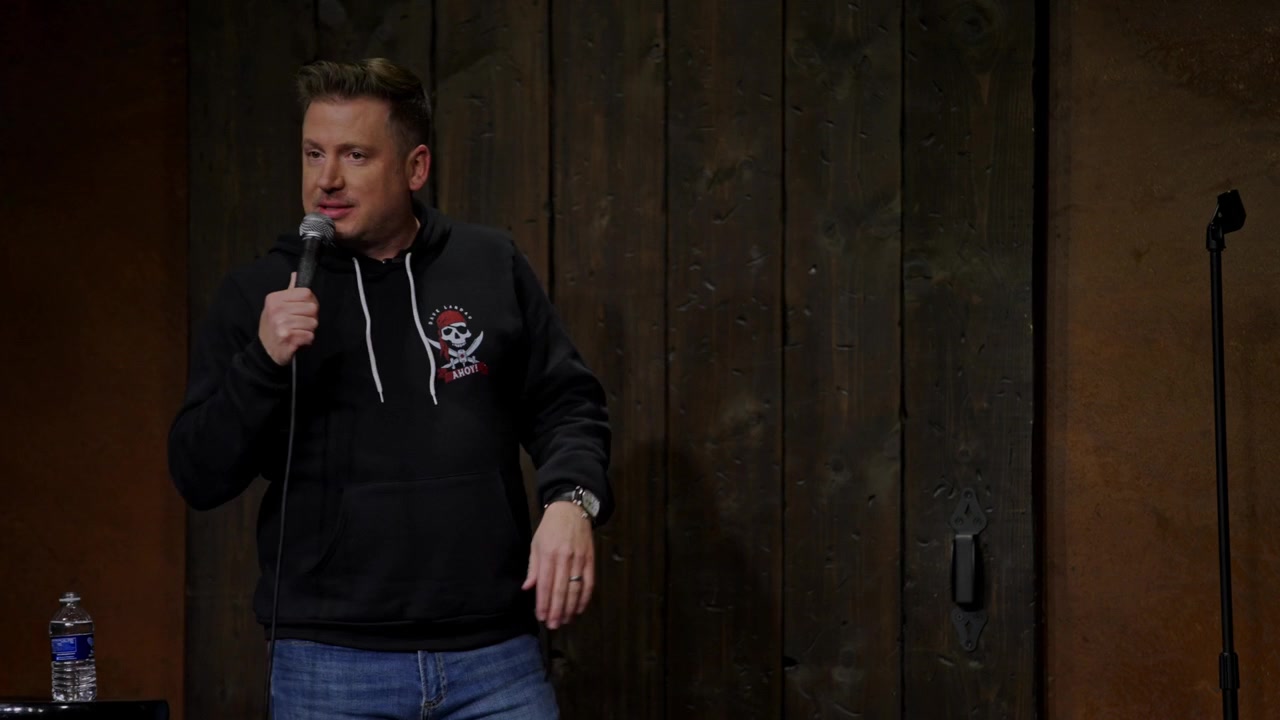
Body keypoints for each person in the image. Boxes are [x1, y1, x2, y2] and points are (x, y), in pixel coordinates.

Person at [168, 57, 611, 719]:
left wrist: (572, 502)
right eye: (313, 154)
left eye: (354, 155)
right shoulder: (261, 293)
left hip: (494, 659)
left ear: (415, 168)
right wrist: (262, 361)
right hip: (329, 667)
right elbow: (198, 473)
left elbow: (566, 403)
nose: (327, 179)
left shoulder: (488, 264)